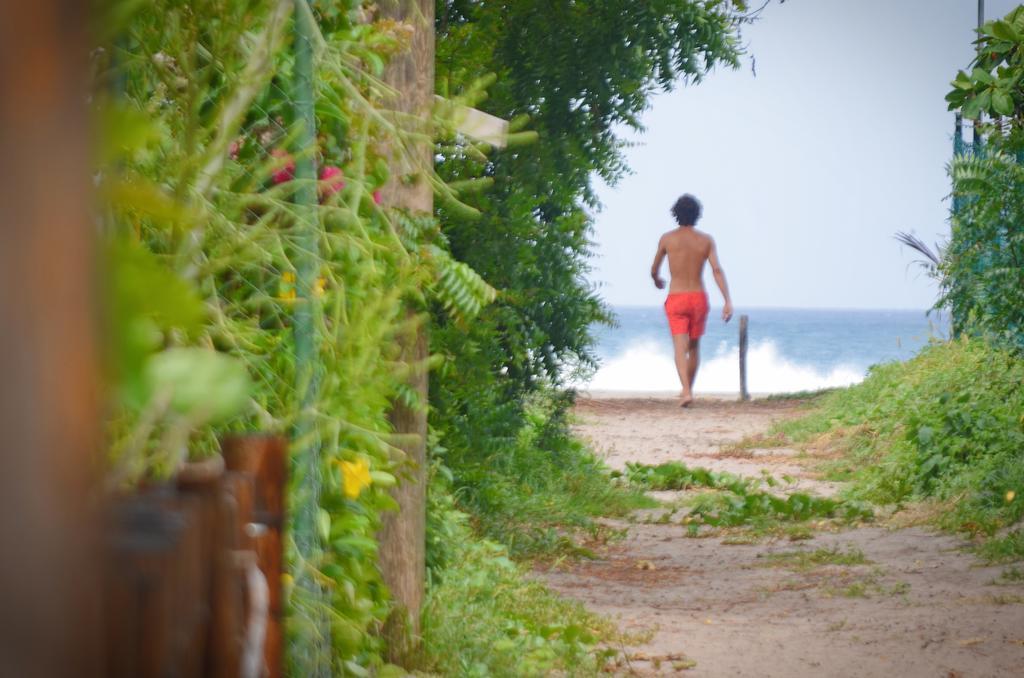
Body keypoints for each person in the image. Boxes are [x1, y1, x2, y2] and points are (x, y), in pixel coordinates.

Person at [650, 194, 733, 407]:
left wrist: (657, 279)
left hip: (676, 297)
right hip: (698, 298)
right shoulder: (705, 240)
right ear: (697, 214)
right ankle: (688, 390)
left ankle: (686, 390)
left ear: (675, 214)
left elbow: (654, 269)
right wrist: (727, 300)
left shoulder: (667, 239)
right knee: (694, 346)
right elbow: (716, 270)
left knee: (680, 346)